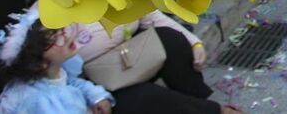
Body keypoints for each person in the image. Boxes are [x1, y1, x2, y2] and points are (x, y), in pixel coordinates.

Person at [77, 11, 241, 114]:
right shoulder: (57, 8)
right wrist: (94, 96)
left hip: (126, 57)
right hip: (92, 83)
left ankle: (197, 102)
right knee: (144, 96)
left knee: (170, 40)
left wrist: (194, 43)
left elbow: (151, 15)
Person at [0, 6, 114, 113]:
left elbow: (71, 81)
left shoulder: (54, 72)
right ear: (38, 64)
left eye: (60, 31)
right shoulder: (40, 102)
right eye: (54, 40)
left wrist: (96, 96)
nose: (65, 37)